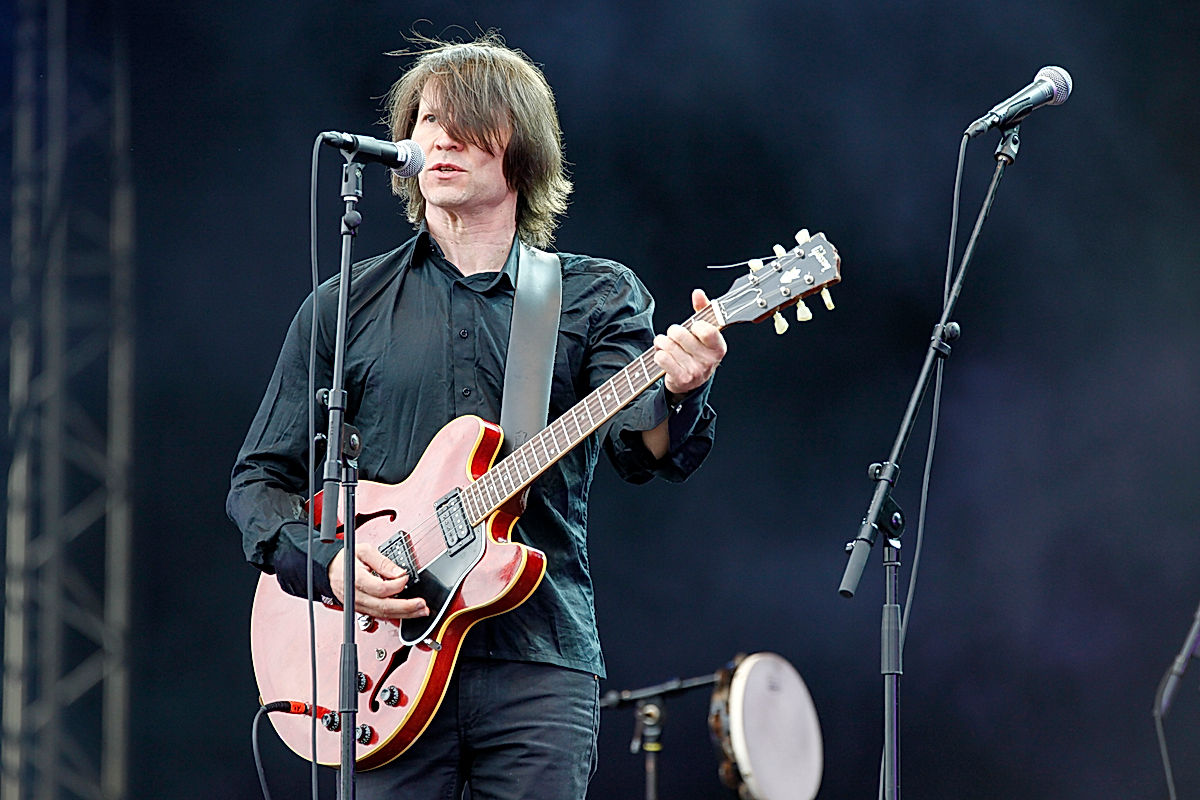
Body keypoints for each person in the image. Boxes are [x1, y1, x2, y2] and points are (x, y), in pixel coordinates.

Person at [227, 32, 726, 800]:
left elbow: (643, 448)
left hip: (537, 660)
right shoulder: (343, 306)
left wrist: (683, 387)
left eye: (468, 124)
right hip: (377, 664)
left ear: (520, 152)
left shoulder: (592, 295)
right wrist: (328, 564)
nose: (441, 139)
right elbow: (260, 484)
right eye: (427, 121)